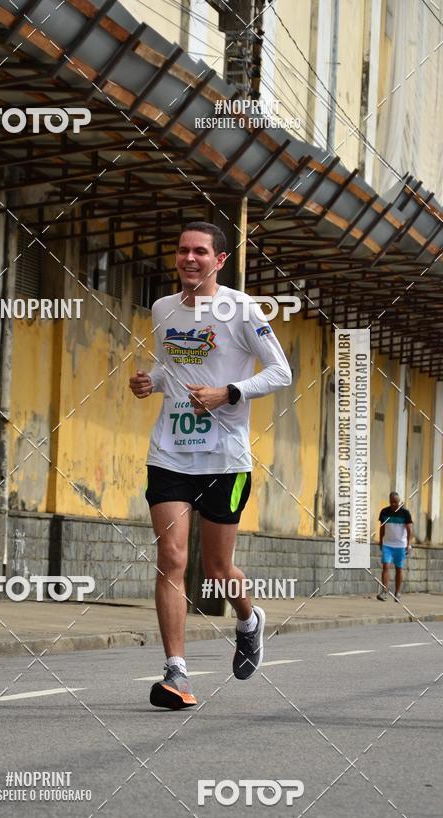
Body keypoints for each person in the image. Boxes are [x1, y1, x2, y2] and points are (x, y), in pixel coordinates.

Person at [128, 221, 292, 710]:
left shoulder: (242, 309)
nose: (189, 258)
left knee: (217, 568)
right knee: (172, 558)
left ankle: (248, 620)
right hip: (170, 451)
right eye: (182, 250)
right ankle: (176, 672)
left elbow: (282, 371)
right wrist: (150, 382)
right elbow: (173, 368)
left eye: (201, 252)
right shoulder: (162, 308)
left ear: (220, 260)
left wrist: (229, 392)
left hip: (225, 455)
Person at [377, 492, 413, 602]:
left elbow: (409, 529)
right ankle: (384, 591)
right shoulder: (384, 512)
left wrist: (408, 544)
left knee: (399, 569)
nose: (393, 504)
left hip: (400, 545)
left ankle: (397, 592)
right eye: (391, 502)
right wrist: (381, 540)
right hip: (387, 544)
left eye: (395, 502)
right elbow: (382, 528)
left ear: (399, 501)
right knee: (385, 567)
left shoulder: (405, 513)